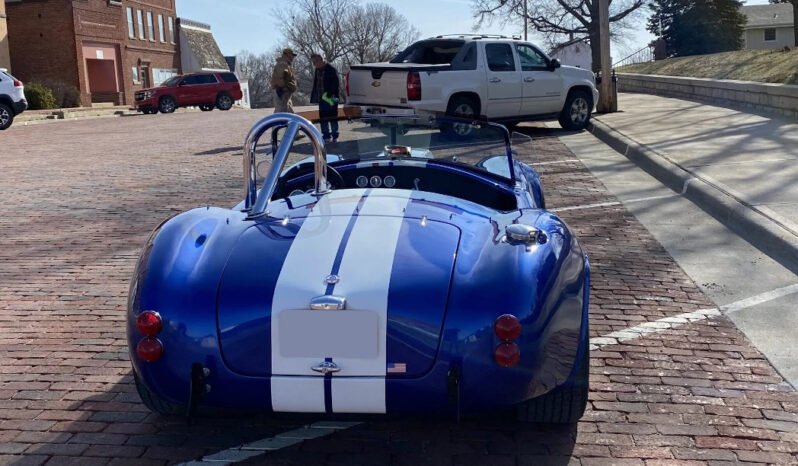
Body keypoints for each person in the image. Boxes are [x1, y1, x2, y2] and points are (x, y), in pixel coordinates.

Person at [310, 54, 340, 143]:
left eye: (315, 62)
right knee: (323, 118)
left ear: (321, 60)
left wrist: (328, 94)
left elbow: (336, 84)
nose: (314, 64)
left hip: (331, 98)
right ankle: (326, 136)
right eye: (313, 62)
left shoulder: (331, 70)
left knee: (333, 117)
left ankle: (335, 136)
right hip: (321, 98)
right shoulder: (317, 70)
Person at [271, 48, 298, 113]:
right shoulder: (283, 64)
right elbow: (280, 77)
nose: (293, 57)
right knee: (282, 111)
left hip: (286, 92)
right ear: (287, 55)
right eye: (292, 55)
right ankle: (279, 122)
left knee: (288, 110)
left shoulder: (286, 64)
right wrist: (284, 88)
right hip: (282, 92)